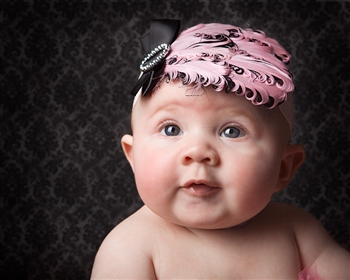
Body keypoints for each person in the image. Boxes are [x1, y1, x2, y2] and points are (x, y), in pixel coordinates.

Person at [91, 19, 350, 279]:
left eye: (232, 131)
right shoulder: (130, 248)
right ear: (133, 156)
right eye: (171, 129)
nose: (198, 151)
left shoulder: (298, 232)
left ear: (283, 168)